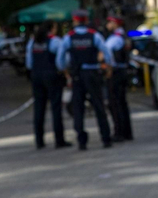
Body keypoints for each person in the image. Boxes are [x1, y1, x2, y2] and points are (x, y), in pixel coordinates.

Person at [56, 10, 112, 149]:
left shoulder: (69, 37)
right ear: (86, 21)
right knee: (99, 106)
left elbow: (60, 57)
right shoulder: (94, 35)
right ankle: (106, 138)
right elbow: (107, 52)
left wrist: (64, 70)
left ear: (75, 21)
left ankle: (82, 141)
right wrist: (109, 66)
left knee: (78, 108)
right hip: (93, 73)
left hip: (77, 75)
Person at [25, 22, 68, 149]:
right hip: (51, 75)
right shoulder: (55, 41)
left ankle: (39, 140)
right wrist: (63, 71)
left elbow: (29, 63)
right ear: (52, 29)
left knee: (39, 108)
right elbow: (60, 61)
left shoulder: (33, 42)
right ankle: (59, 140)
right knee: (56, 107)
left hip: (36, 75)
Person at [103, 17, 135, 141]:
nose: (108, 24)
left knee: (115, 103)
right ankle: (126, 132)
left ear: (115, 24)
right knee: (122, 103)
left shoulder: (115, 38)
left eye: (110, 22)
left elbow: (105, 53)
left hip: (115, 73)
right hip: (122, 71)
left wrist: (106, 67)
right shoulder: (123, 36)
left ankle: (119, 132)